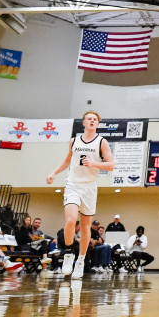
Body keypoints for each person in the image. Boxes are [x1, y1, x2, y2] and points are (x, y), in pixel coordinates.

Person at [45, 110, 115, 281]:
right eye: (88, 119)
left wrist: (93, 163)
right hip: (73, 185)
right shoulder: (74, 141)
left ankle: (81, 260)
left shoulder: (102, 142)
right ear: (83, 123)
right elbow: (68, 160)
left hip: (89, 187)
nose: (91, 121)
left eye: (94, 119)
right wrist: (54, 173)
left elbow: (111, 165)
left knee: (85, 228)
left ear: (97, 124)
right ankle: (69, 254)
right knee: (70, 221)